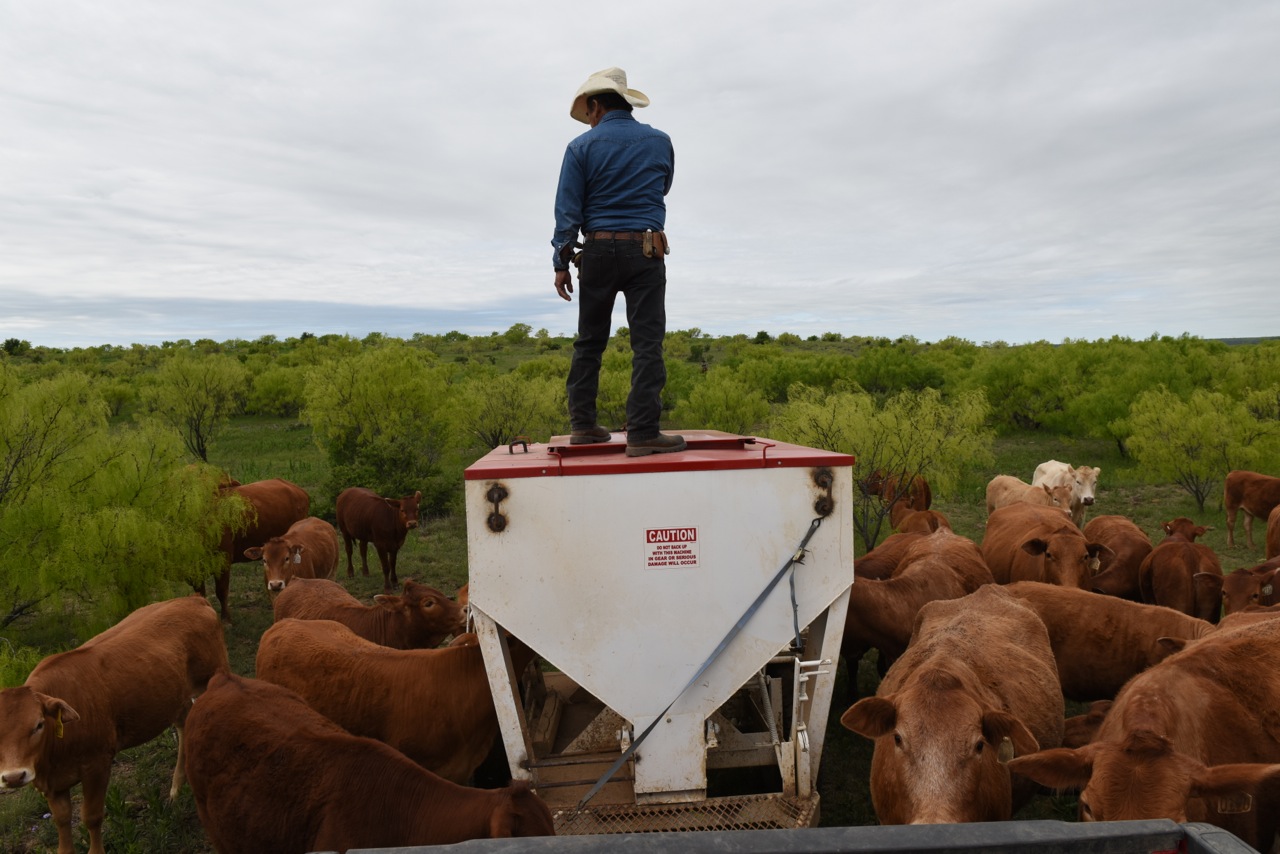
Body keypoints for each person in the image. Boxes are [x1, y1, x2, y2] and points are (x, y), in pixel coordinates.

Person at [551, 67, 686, 457]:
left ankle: (583, 427)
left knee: (589, 341)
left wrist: (561, 260)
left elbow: (567, 210)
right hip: (646, 249)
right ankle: (643, 433)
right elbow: (662, 188)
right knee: (648, 343)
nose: (589, 119)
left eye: (588, 111)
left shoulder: (580, 147)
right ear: (626, 103)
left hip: (595, 251)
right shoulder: (661, 142)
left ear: (596, 105)